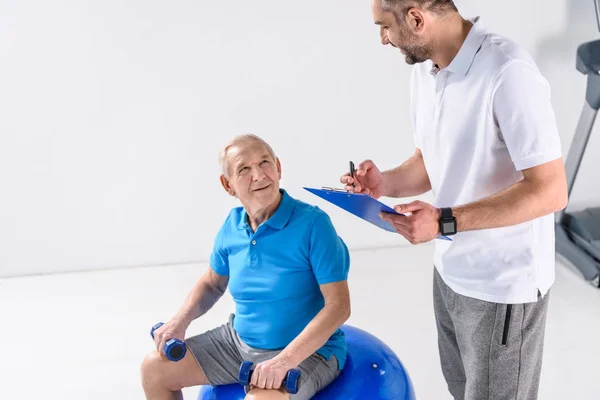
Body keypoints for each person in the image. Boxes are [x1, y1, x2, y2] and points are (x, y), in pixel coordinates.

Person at [340, 1, 568, 399]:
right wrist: (384, 183)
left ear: (415, 18)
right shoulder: (427, 72)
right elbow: (432, 161)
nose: (382, 39)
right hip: (450, 273)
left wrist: (444, 221)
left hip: (503, 286)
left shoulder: (507, 71)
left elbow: (550, 189)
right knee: (462, 390)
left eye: (384, 26)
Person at [142, 134, 351, 400]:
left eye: (265, 162)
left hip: (307, 353)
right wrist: (179, 321)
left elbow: (339, 306)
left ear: (278, 167)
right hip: (237, 344)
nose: (259, 175)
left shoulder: (313, 224)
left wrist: (284, 360)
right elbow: (212, 283)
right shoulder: (232, 224)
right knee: (154, 369)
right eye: (244, 169)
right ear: (228, 185)